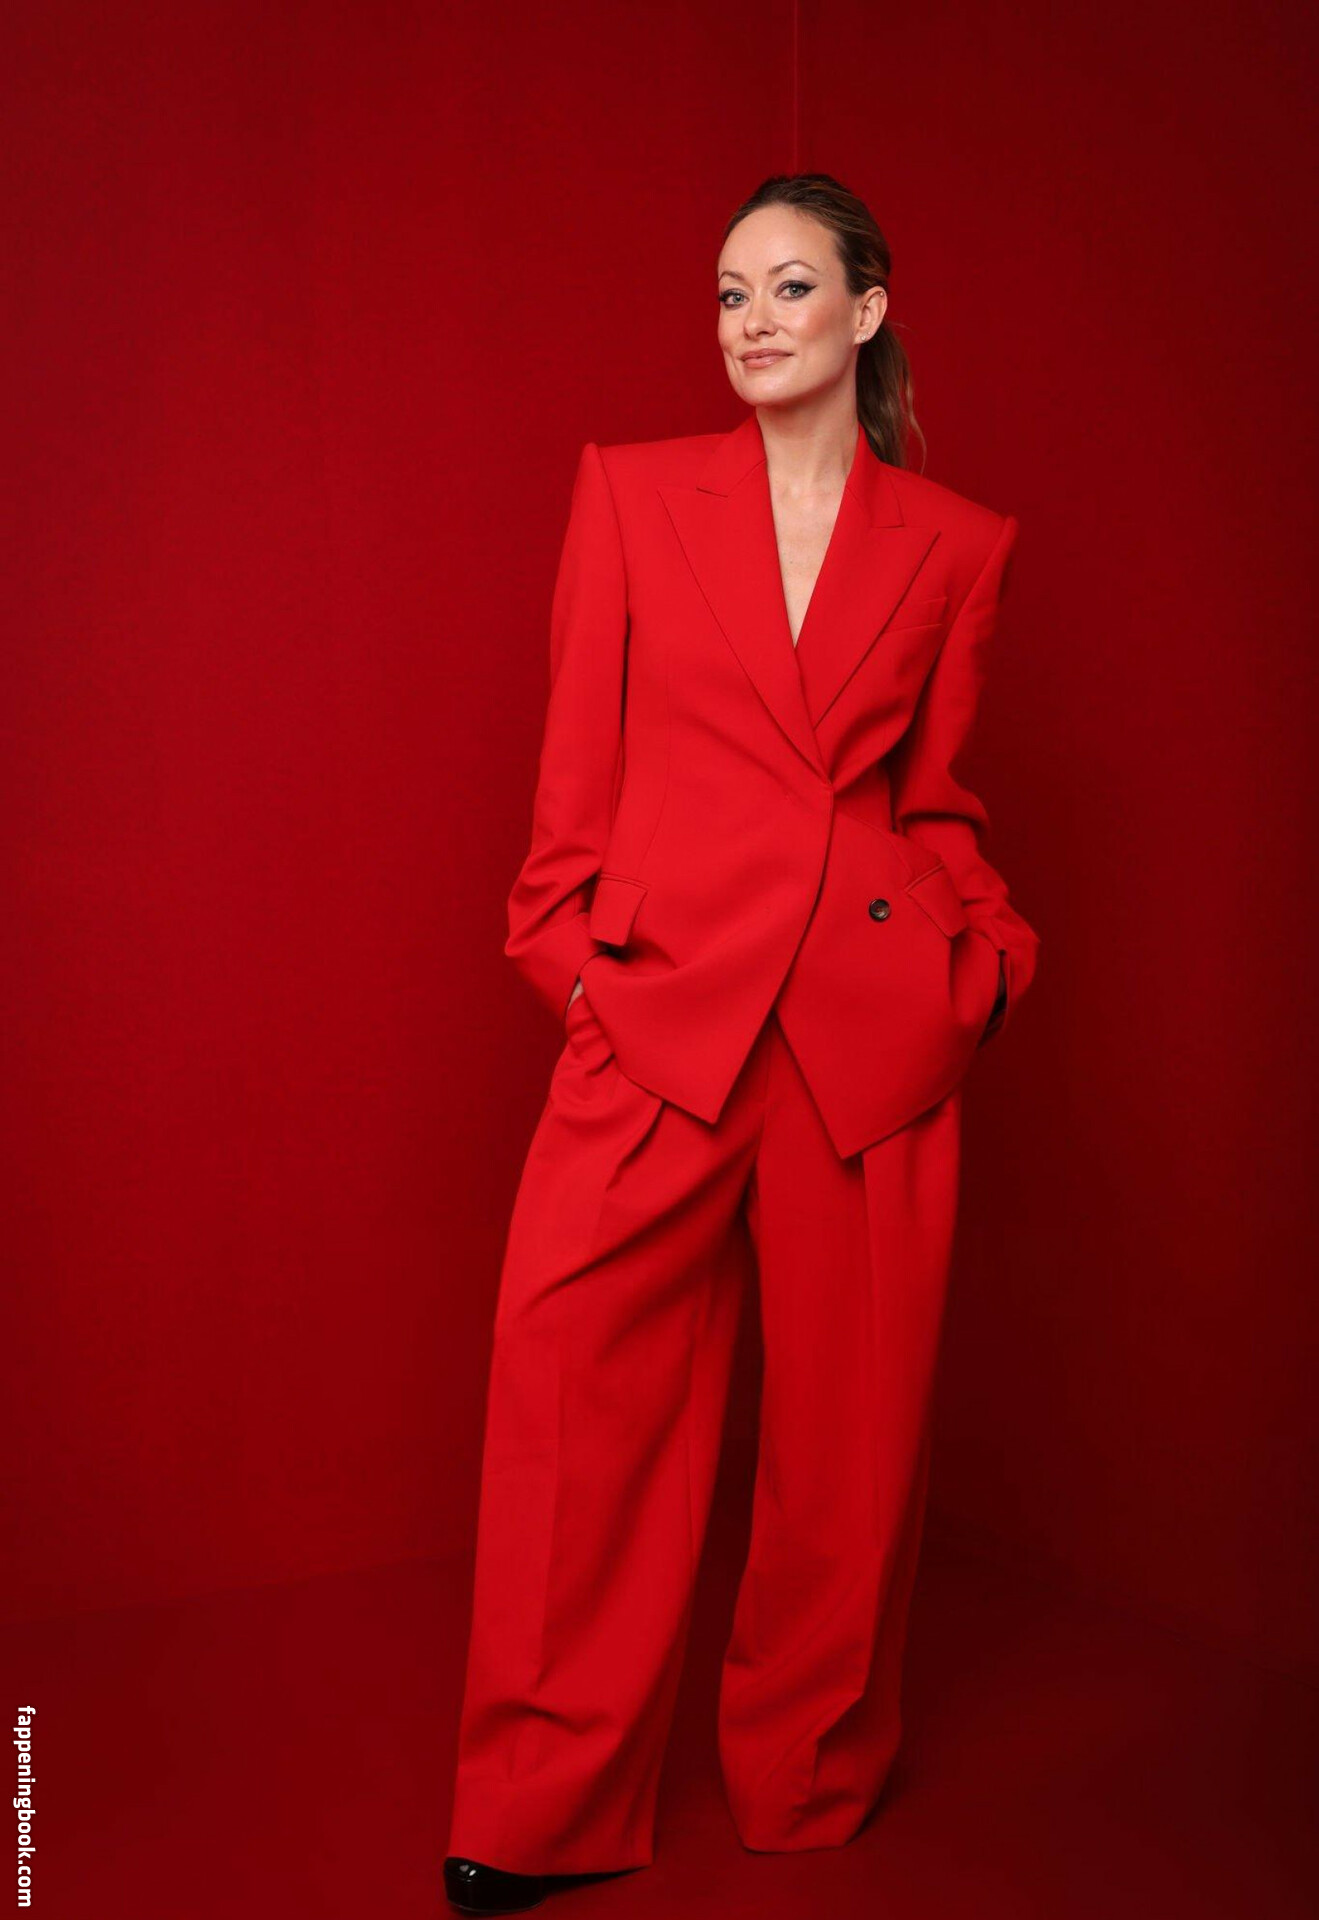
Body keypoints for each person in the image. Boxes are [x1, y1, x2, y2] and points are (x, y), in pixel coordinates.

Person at [443, 171, 1040, 1916]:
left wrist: (986, 965)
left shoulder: (959, 545)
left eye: (787, 286)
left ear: (866, 311)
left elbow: (936, 803)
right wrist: (571, 969)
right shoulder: (631, 496)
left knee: (852, 1448)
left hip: (864, 1035)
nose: (751, 321)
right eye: (727, 293)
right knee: (573, 1398)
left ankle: (808, 1775)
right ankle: (535, 1804)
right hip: (658, 1011)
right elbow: (570, 780)